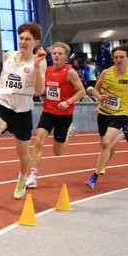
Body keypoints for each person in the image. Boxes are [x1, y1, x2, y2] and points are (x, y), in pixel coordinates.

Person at [0, 22, 47, 199]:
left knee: (23, 155)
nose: (23, 42)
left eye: (27, 39)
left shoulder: (39, 62)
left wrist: (37, 67)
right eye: (21, 38)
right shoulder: (9, 55)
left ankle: (22, 178)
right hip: (2, 106)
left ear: (36, 42)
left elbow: (39, 91)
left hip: (22, 113)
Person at [85, 45, 128, 189]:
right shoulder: (106, 73)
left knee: (106, 142)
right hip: (104, 113)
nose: (119, 60)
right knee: (105, 144)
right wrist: (99, 97)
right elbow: (95, 90)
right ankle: (124, 134)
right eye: (116, 57)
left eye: (122, 57)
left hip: (121, 114)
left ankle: (94, 176)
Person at [25, 42, 85, 188]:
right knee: (38, 141)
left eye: (60, 53)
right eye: (54, 53)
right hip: (48, 111)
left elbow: (81, 91)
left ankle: (68, 132)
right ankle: (32, 177)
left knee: (57, 151)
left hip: (64, 115)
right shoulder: (48, 71)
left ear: (65, 56)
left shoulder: (70, 72)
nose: (56, 56)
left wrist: (68, 101)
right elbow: (43, 89)